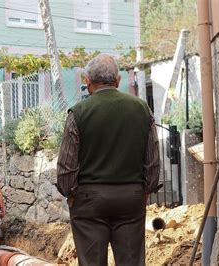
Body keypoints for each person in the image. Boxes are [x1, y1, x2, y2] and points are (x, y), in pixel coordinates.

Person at [56, 54, 160, 265]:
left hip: (89, 201)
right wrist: (145, 189)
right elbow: (152, 159)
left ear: (87, 81)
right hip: (130, 198)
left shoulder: (78, 113)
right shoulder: (142, 109)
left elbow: (67, 166)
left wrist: (70, 193)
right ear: (118, 80)